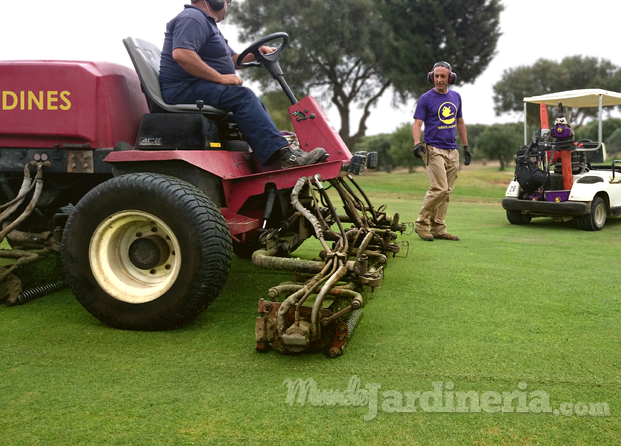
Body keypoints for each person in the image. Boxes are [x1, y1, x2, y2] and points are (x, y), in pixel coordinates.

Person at [158, 0, 327, 169]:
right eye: (227, 1)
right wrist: (220, 78)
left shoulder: (207, 24)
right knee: (243, 97)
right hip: (182, 88)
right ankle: (284, 156)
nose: (227, 5)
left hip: (194, 86)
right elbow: (182, 54)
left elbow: (234, 60)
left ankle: (274, 151)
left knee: (249, 99)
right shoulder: (193, 18)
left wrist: (257, 53)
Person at [412, 61, 471, 242]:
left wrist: (466, 147)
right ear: (432, 76)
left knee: (447, 191)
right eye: (436, 76)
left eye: (442, 76)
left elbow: (460, 122)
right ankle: (421, 223)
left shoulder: (456, 97)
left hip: (452, 149)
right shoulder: (426, 98)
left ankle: (438, 227)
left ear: (450, 78)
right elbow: (417, 123)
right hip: (433, 148)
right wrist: (416, 143)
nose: (439, 79)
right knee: (439, 188)